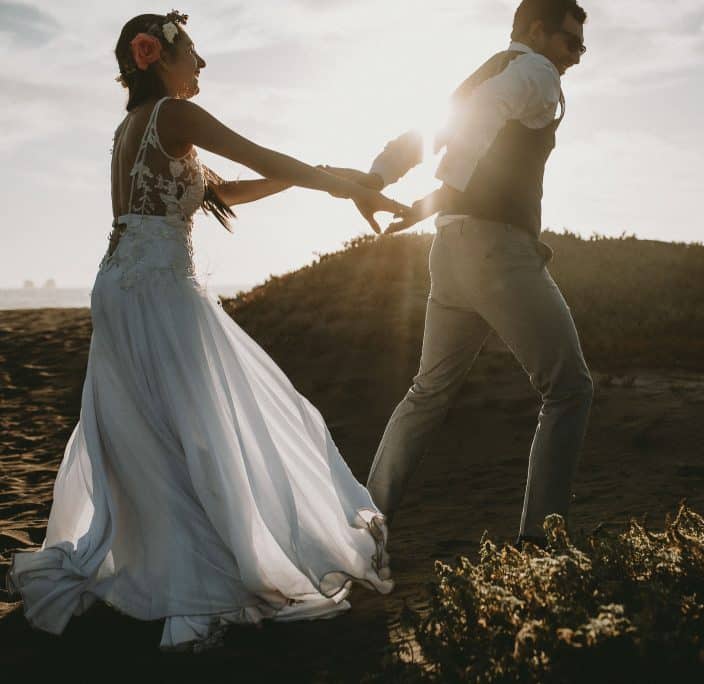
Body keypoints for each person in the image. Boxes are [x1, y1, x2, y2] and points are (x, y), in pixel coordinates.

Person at [6, 11, 406, 651]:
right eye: (192, 50)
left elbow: (228, 190)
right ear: (156, 57)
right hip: (159, 290)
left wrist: (335, 176)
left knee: (156, 428)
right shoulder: (173, 115)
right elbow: (261, 154)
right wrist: (340, 186)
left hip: (124, 286)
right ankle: (193, 582)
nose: (201, 63)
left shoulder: (134, 127)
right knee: (197, 423)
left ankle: (160, 566)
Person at [326, 0, 592, 549]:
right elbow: (477, 124)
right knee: (569, 389)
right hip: (498, 250)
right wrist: (441, 192)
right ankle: (542, 544)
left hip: (450, 250)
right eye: (572, 43)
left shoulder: (487, 68)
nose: (577, 58)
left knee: (427, 393)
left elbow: (435, 126)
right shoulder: (535, 72)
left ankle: (365, 530)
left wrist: (380, 177)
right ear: (537, 33)